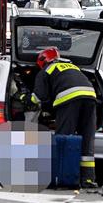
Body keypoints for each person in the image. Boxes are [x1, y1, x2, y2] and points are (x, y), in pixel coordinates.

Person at [31, 46, 99, 189]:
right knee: (87, 139)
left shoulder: (46, 71)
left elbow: (38, 98)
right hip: (90, 97)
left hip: (69, 98)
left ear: (43, 61)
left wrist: (26, 99)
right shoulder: (73, 66)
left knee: (64, 138)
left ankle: (61, 177)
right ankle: (88, 179)